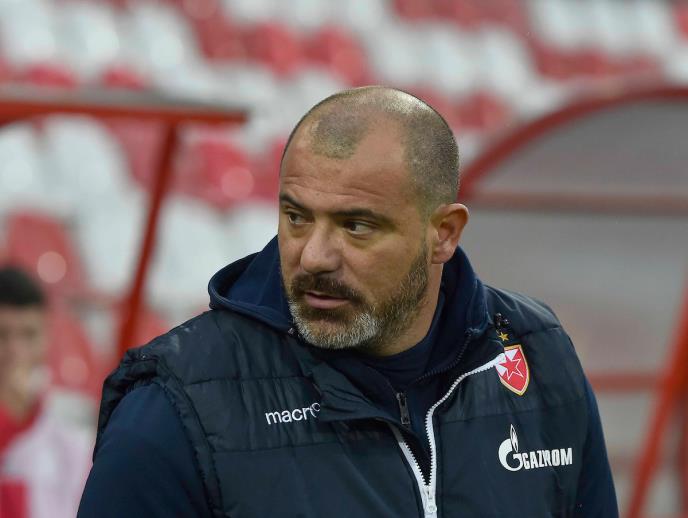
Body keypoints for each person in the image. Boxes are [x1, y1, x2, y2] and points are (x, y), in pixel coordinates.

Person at [78, 86, 618, 517]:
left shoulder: (539, 359)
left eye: (356, 226)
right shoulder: (174, 409)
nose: (314, 256)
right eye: (296, 217)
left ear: (444, 234)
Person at [0, 266, 92, 518]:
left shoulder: (72, 442)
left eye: (28, 335)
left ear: (46, 338)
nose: (16, 351)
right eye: (2, 335)